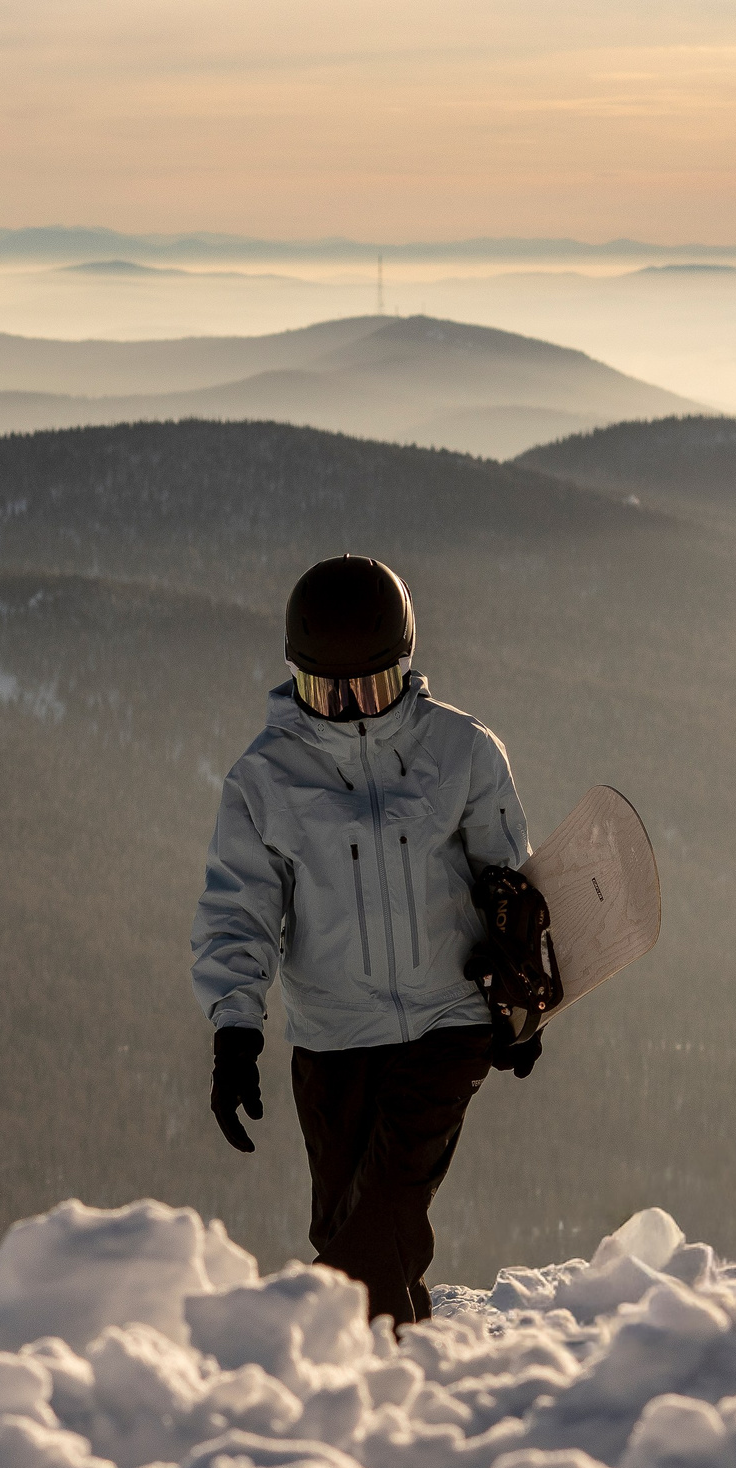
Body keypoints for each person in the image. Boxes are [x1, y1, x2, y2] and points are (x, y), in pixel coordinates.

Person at [191, 554, 540, 1327]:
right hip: (333, 1041)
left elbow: (510, 889)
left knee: (377, 1225)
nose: (350, 707)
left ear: (406, 669)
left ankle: (285, 1351)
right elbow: (238, 908)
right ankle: (391, 1380)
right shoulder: (265, 778)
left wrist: (522, 1003)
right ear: (296, 679)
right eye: (327, 690)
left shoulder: (462, 752)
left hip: (446, 1029)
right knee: (350, 1232)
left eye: (371, 688)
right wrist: (235, 1032)